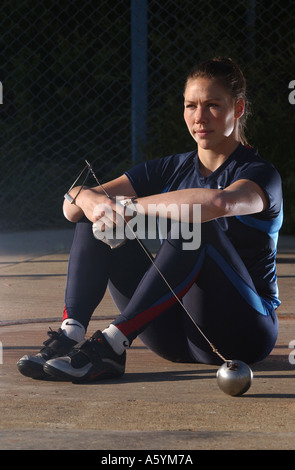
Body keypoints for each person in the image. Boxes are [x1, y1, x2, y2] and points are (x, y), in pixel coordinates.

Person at [17, 57, 283, 383]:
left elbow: (217, 202)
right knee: (97, 218)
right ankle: (71, 333)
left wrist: (129, 207)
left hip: (242, 331)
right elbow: (71, 206)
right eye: (190, 106)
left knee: (192, 224)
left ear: (237, 109)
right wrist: (90, 199)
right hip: (172, 337)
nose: (199, 117)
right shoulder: (169, 168)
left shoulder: (260, 173)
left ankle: (112, 343)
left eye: (213, 105)